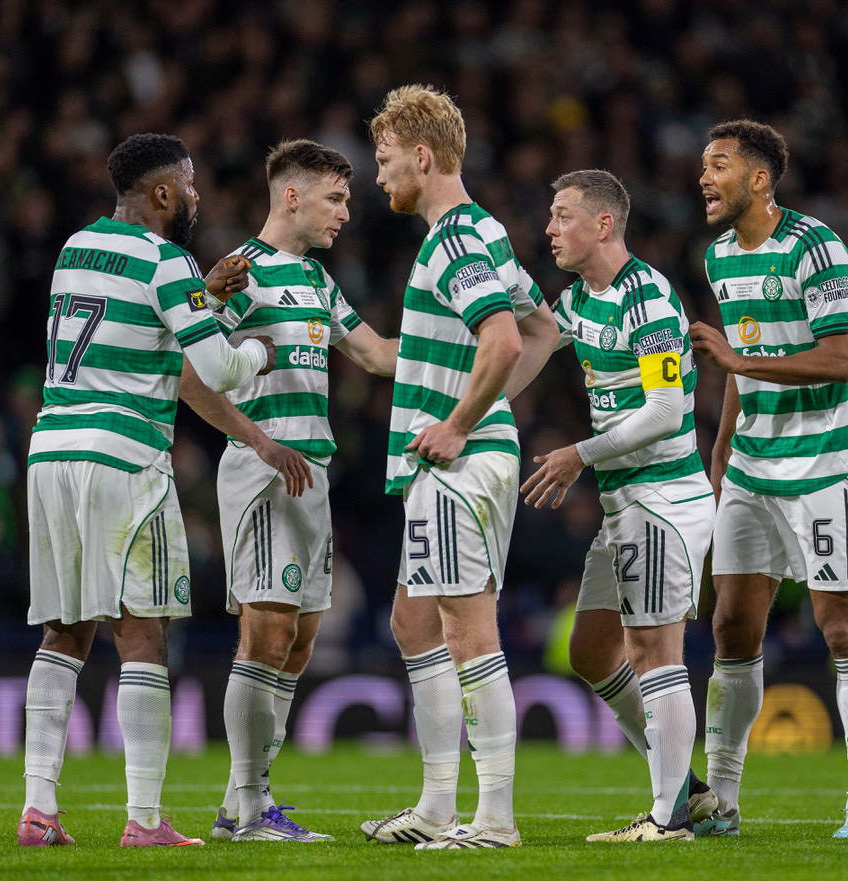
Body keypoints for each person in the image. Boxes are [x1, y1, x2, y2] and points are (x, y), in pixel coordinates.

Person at [18, 133, 277, 848]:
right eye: (188, 185)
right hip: (126, 458)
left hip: (52, 450)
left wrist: (204, 297)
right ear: (162, 193)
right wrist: (257, 347)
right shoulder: (168, 260)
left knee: (64, 630)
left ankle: (38, 807)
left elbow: (135, 336)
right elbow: (219, 370)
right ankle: (144, 819)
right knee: (143, 633)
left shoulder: (74, 249)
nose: (195, 195)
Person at [177, 140, 397, 842]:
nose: (346, 213)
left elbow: (376, 354)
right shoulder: (241, 273)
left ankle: (238, 800)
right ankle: (250, 808)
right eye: (335, 198)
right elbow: (192, 376)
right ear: (292, 196)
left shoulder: (318, 281)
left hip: (313, 475)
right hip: (267, 469)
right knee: (267, 629)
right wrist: (257, 441)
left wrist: (466, 330)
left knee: (300, 640)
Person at [358, 84, 559, 850]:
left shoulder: (452, 239)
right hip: (459, 458)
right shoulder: (483, 232)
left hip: (457, 464)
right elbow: (543, 329)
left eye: (384, 161)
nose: (379, 178)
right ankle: (437, 806)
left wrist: (460, 421)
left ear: (422, 155)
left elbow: (506, 340)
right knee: (413, 619)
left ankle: (495, 819)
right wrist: (482, 407)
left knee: (468, 631)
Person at [688, 119, 848, 840]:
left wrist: (739, 365)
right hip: (751, 466)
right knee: (732, 624)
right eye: (703, 168)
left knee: (842, 625)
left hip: (827, 464)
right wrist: (719, 457)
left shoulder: (817, 247)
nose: (704, 179)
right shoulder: (718, 259)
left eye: (719, 166)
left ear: (760, 179)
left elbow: (838, 357)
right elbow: (739, 366)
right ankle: (721, 802)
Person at [522, 169, 716, 842]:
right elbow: (530, 345)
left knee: (654, 648)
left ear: (602, 224)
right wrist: (470, 407)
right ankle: (687, 789)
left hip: (663, 495)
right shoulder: (578, 299)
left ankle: (670, 818)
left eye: (562, 214)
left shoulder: (648, 302)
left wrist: (581, 452)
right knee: (592, 648)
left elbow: (666, 411)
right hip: (624, 502)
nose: (550, 227)